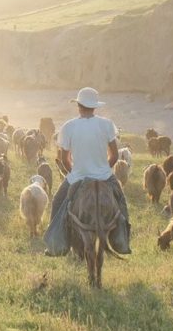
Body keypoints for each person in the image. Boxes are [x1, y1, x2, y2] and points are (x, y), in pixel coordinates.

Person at [43, 87, 131, 255]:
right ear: (94, 106)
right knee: (121, 201)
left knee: (57, 201)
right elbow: (114, 155)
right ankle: (122, 241)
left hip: (78, 177)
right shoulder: (106, 124)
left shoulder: (68, 126)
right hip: (104, 176)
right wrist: (104, 169)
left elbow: (64, 159)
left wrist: (74, 172)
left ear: (79, 105)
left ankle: (55, 245)